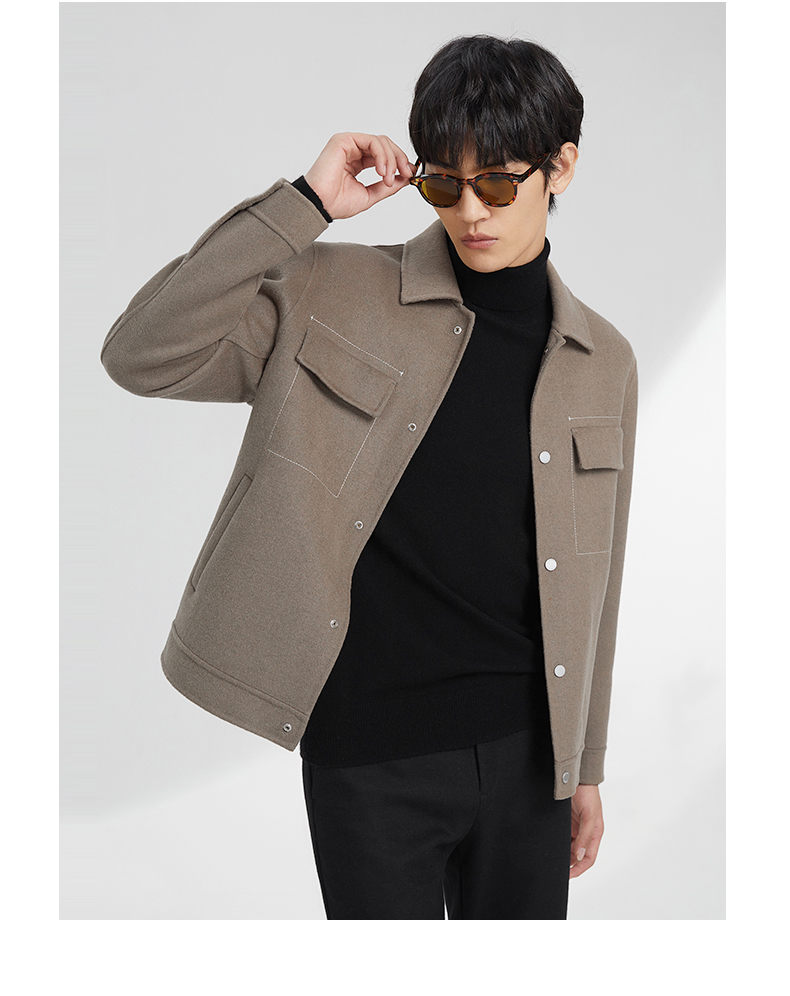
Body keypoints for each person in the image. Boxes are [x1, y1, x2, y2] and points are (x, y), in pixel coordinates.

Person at [101, 34, 637, 920]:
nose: (471, 212)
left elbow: (597, 583)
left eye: (498, 184)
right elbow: (141, 353)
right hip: (371, 751)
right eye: (445, 184)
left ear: (562, 169)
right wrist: (306, 203)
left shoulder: (603, 359)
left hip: (531, 757)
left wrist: (585, 764)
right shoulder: (330, 291)